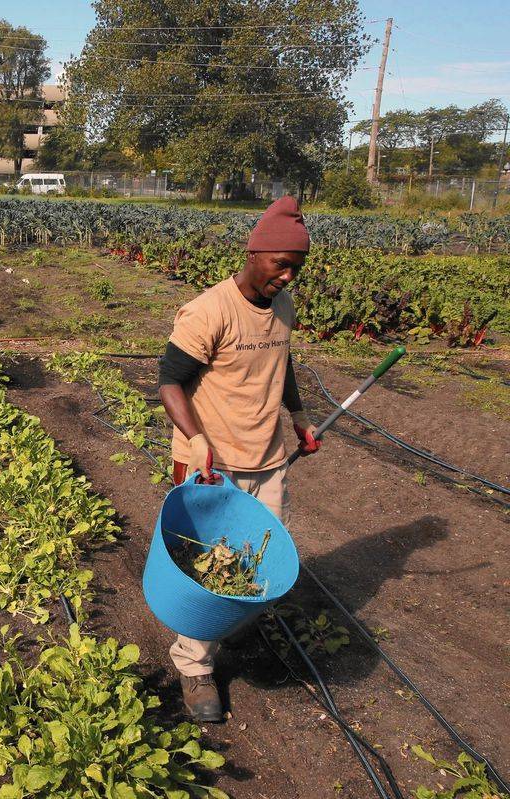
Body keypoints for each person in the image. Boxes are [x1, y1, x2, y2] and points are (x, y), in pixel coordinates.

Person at [157, 195, 321, 723]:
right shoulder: (209, 311)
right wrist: (196, 438)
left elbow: (282, 362)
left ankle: (227, 624)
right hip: (212, 463)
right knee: (209, 567)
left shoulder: (283, 308)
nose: (288, 277)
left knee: (253, 563)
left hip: (267, 457)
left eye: (296, 268)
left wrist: (297, 416)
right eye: (281, 264)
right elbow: (169, 382)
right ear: (255, 253)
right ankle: (195, 665)